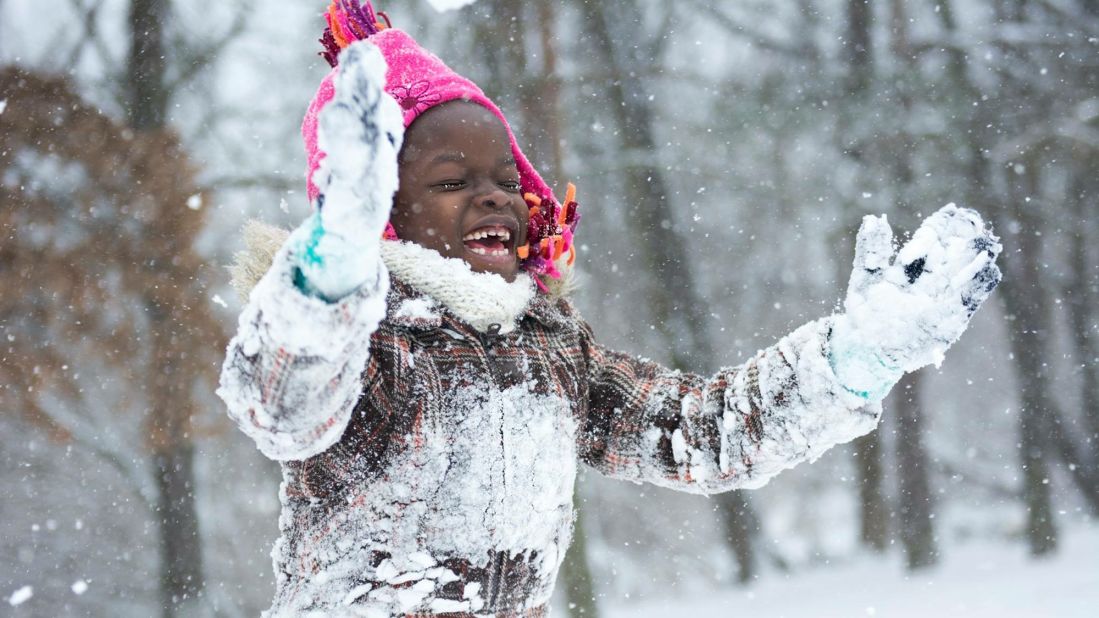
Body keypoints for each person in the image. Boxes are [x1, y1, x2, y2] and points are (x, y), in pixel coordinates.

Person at [217, 2, 1003, 616]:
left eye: (504, 177)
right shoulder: (373, 341)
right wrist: (328, 273)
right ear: (383, 209)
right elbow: (283, 406)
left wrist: (852, 360)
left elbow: (694, 433)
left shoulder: (551, 349)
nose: (493, 193)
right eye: (451, 181)